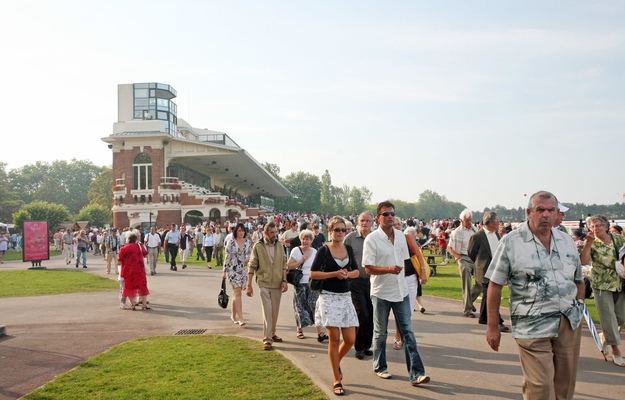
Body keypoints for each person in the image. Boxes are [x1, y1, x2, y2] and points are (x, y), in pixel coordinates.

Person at [486, 191, 585, 400]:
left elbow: (578, 281)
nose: (546, 215)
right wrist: (492, 327)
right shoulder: (511, 242)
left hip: (568, 322)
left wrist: (579, 307)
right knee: (540, 388)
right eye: (541, 210)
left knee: (565, 387)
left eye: (551, 210)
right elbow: (494, 285)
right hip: (532, 325)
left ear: (557, 213)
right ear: (530, 212)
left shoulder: (567, 241)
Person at [363, 201, 430, 386]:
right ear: (379, 218)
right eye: (386, 214)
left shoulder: (401, 236)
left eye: (392, 213)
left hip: (401, 290)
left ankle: (417, 373)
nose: (390, 216)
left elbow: (406, 261)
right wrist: (388, 269)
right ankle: (380, 367)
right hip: (381, 292)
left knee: (407, 331)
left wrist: (419, 274)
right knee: (381, 333)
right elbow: (368, 268)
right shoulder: (372, 239)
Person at [309, 216, 359, 396]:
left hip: (345, 297)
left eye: (342, 230)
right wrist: (334, 274)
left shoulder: (348, 249)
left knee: (351, 339)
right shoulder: (323, 250)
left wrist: (347, 274)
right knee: (334, 338)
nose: (340, 233)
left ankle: (335, 361)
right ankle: (336, 378)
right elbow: (314, 274)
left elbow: (356, 271)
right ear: (329, 231)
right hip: (328, 297)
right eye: (336, 230)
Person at [580, 214, 625, 367]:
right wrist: (588, 244)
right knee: (608, 318)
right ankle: (615, 351)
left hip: (620, 282)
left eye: (598, 225)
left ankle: (604, 337)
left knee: (621, 317)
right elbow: (584, 261)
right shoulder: (592, 242)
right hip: (601, 284)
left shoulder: (618, 239)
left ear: (606, 227)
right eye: (592, 226)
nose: (595, 228)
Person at [246, 222, 288, 350]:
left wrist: (284, 281)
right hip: (263, 282)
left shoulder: (280, 246)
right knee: (267, 311)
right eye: (272, 233)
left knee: (274, 311)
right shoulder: (258, 246)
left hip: (277, 282)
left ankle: (272, 333)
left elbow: (284, 264)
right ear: (265, 233)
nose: (274, 235)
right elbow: (252, 265)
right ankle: (267, 339)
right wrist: (249, 285)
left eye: (276, 232)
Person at [467, 211, 510, 332]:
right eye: (497, 222)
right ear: (490, 223)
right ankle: (498, 321)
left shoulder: (496, 234)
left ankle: (483, 317)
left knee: (487, 295)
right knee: (490, 294)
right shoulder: (477, 236)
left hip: (495, 269)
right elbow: (471, 253)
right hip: (483, 271)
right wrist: (480, 263)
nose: (499, 224)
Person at [392, 221, 429, 350]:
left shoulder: (407, 238)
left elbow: (418, 254)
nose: (396, 226)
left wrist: (423, 272)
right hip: (395, 279)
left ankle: (405, 336)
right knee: (399, 310)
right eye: (394, 224)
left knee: (408, 310)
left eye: (398, 224)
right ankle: (398, 335)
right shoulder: (386, 240)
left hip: (410, 278)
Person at [344, 212, 375, 360]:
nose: (365, 223)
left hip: (373, 281)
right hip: (355, 282)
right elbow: (342, 256)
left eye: (368, 220)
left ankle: (366, 345)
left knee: (371, 314)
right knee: (362, 313)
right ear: (358, 221)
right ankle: (358, 347)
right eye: (362, 220)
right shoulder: (350, 238)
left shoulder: (376, 238)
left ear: (372, 222)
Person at [287, 229, 325, 340]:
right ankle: (299, 330)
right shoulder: (296, 251)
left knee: (314, 305)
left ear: (311, 240)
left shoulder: (315, 251)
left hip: (311, 283)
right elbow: (289, 266)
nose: (305, 241)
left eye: (307, 239)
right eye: (303, 239)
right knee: (300, 306)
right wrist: (301, 260)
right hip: (299, 283)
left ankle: (320, 332)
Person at [447, 209, 481, 318]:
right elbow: (449, 247)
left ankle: (469, 302)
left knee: (480, 284)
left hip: (474, 259)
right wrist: (458, 257)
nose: (469, 222)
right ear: (462, 220)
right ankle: (467, 310)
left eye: (470, 220)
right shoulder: (457, 232)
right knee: (467, 284)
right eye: (467, 220)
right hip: (463, 258)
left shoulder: (474, 230)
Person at [222, 223, 252, 326]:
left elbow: (250, 254)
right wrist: (224, 272)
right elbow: (227, 257)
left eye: (242, 231)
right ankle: (241, 318)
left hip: (243, 270)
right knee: (237, 292)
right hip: (232, 270)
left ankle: (233, 315)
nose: (241, 233)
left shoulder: (248, 242)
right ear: (236, 232)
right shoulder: (231, 242)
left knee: (237, 293)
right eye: (239, 231)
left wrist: (248, 259)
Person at [117, 231, 150, 310]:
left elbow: (119, 262)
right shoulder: (139, 246)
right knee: (143, 287)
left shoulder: (123, 249)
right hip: (139, 270)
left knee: (129, 288)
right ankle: (144, 304)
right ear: (136, 240)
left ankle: (132, 305)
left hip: (128, 271)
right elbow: (146, 254)